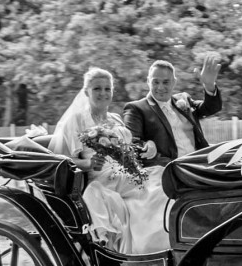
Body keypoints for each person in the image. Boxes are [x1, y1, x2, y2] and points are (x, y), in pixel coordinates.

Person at [50, 67, 170, 254]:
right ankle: (145, 249)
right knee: (151, 197)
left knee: (163, 184)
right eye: (97, 88)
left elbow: (130, 149)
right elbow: (68, 160)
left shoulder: (115, 119)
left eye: (107, 89)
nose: (103, 93)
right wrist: (89, 164)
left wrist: (149, 146)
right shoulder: (77, 120)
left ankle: (161, 246)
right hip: (103, 180)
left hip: (129, 174)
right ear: (86, 92)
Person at [123, 54, 224, 167]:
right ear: (148, 82)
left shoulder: (184, 99)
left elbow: (211, 107)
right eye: (155, 82)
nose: (160, 87)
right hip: (171, 169)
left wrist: (209, 85)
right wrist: (147, 144)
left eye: (165, 82)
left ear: (174, 82)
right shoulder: (136, 108)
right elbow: (130, 144)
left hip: (201, 162)